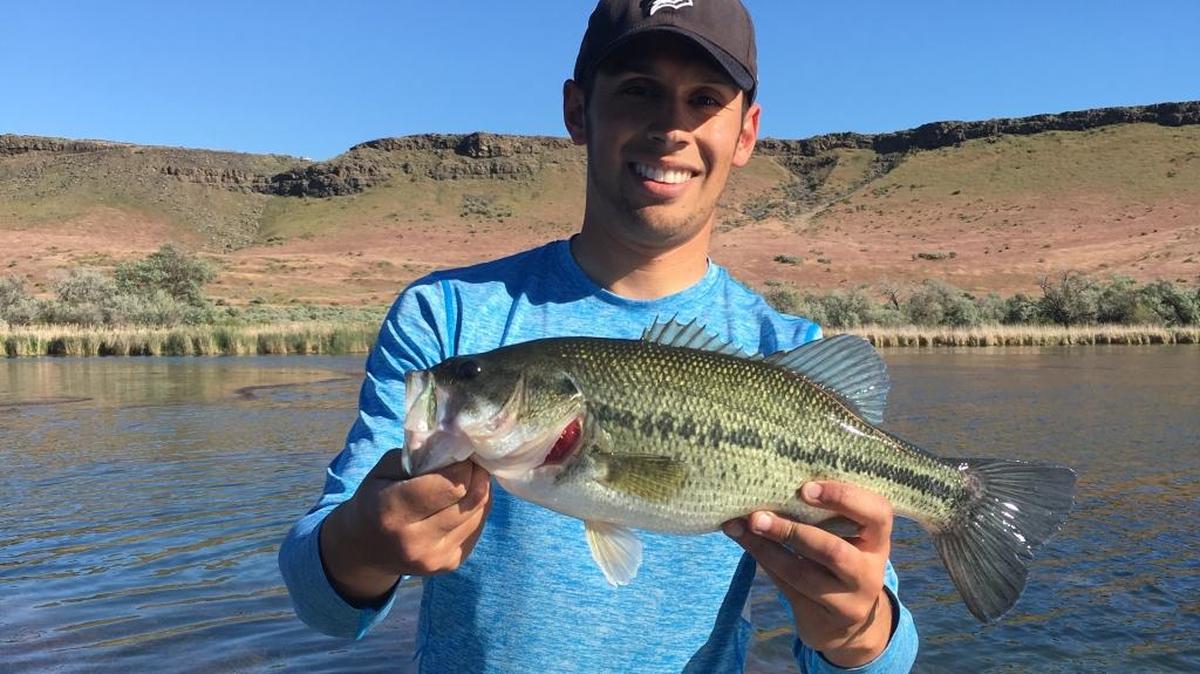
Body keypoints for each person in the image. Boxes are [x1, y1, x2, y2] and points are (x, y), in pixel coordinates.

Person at [279, 1, 918, 671]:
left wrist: (856, 632)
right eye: (638, 90)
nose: (670, 126)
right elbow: (318, 601)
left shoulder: (783, 353)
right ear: (578, 111)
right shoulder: (444, 317)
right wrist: (361, 543)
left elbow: (874, 657)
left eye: (703, 99)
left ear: (747, 133)